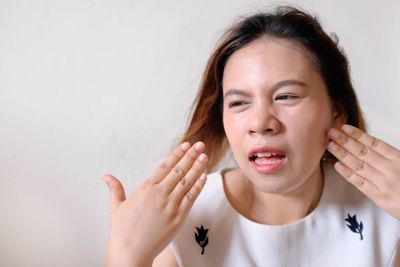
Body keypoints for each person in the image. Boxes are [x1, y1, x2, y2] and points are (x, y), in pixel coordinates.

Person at [102, 6, 400, 267]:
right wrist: (126, 259)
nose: (260, 123)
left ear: (336, 113)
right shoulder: (183, 219)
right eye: (239, 103)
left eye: (285, 96)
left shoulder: (385, 214)